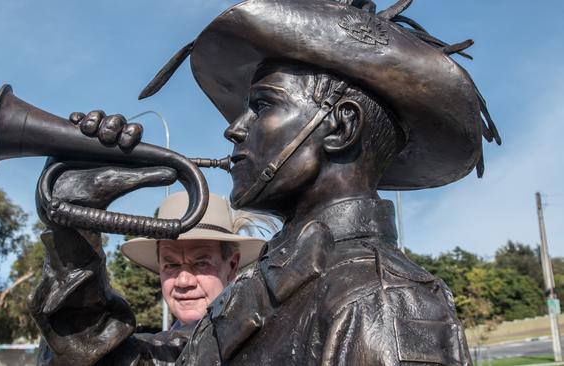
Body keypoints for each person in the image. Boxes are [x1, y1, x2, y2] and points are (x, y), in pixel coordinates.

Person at [29, 0, 502, 365]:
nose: (234, 128)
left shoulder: (381, 300)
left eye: (262, 105)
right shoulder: (268, 284)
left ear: (340, 127)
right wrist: (72, 230)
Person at [120, 191, 267, 328]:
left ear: (232, 267)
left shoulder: (263, 345)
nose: (183, 281)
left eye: (201, 263)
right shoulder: (157, 350)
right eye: (171, 265)